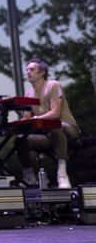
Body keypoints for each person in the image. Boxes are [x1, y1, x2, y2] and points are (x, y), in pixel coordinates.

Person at [16, 58, 80, 189]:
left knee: (56, 126)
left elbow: (56, 113)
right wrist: (14, 124)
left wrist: (36, 118)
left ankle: (62, 174)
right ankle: (29, 177)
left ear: (42, 72)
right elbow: (27, 119)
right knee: (21, 140)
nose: (28, 72)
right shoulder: (28, 93)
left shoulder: (53, 85)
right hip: (48, 135)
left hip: (67, 128)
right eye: (27, 70)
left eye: (32, 69)